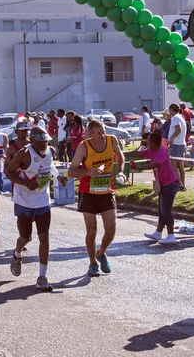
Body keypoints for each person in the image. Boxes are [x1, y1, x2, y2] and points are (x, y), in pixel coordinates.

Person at [5, 126, 65, 292]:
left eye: (45, 141)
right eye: (39, 142)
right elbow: (8, 172)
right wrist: (25, 183)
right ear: (32, 141)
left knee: (44, 237)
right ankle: (17, 254)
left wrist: (58, 177)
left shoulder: (50, 151)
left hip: (43, 202)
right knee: (25, 238)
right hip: (24, 202)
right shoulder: (23, 153)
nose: (43, 144)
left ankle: (42, 277)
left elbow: (49, 165)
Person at [68, 119, 125, 277]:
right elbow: (71, 171)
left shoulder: (111, 140)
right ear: (91, 134)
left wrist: (120, 171)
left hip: (107, 190)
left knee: (111, 228)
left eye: (104, 131)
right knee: (91, 230)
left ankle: (101, 253)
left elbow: (120, 156)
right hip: (88, 192)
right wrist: (88, 172)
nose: (103, 135)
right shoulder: (83, 147)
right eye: (99, 133)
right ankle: (92, 262)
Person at [126, 131, 180, 244]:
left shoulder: (162, 152)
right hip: (163, 184)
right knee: (161, 210)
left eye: (148, 140)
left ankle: (171, 235)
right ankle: (158, 233)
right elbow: (139, 154)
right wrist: (121, 153)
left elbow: (155, 164)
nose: (147, 142)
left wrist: (139, 168)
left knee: (166, 210)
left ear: (151, 142)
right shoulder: (152, 151)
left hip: (170, 184)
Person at [167, 104, 186, 191]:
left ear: (172, 110)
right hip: (181, 144)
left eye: (169, 110)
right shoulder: (181, 117)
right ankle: (182, 184)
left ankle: (179, 185)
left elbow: (178, 130)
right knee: (180, 165)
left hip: (176, 144)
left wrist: (171, 138)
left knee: (173, 165)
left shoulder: (175, 118)